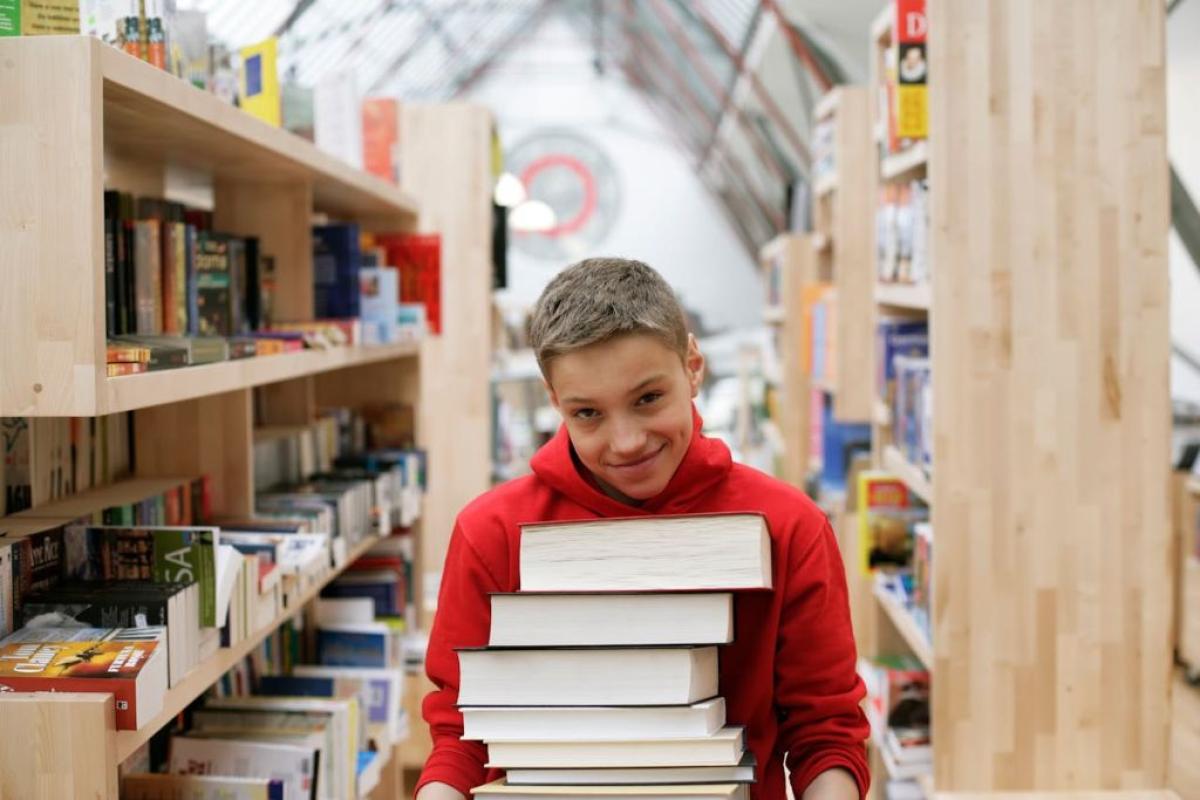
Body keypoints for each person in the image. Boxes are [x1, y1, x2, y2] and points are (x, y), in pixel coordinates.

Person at [414, 258, 870, 800]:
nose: (627, 441)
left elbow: (825, 731)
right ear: (555, 402)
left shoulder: (789, 527)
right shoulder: (491, 532)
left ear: (693, 367)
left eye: (648, 399)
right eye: (588, 413)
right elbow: (462, 734)